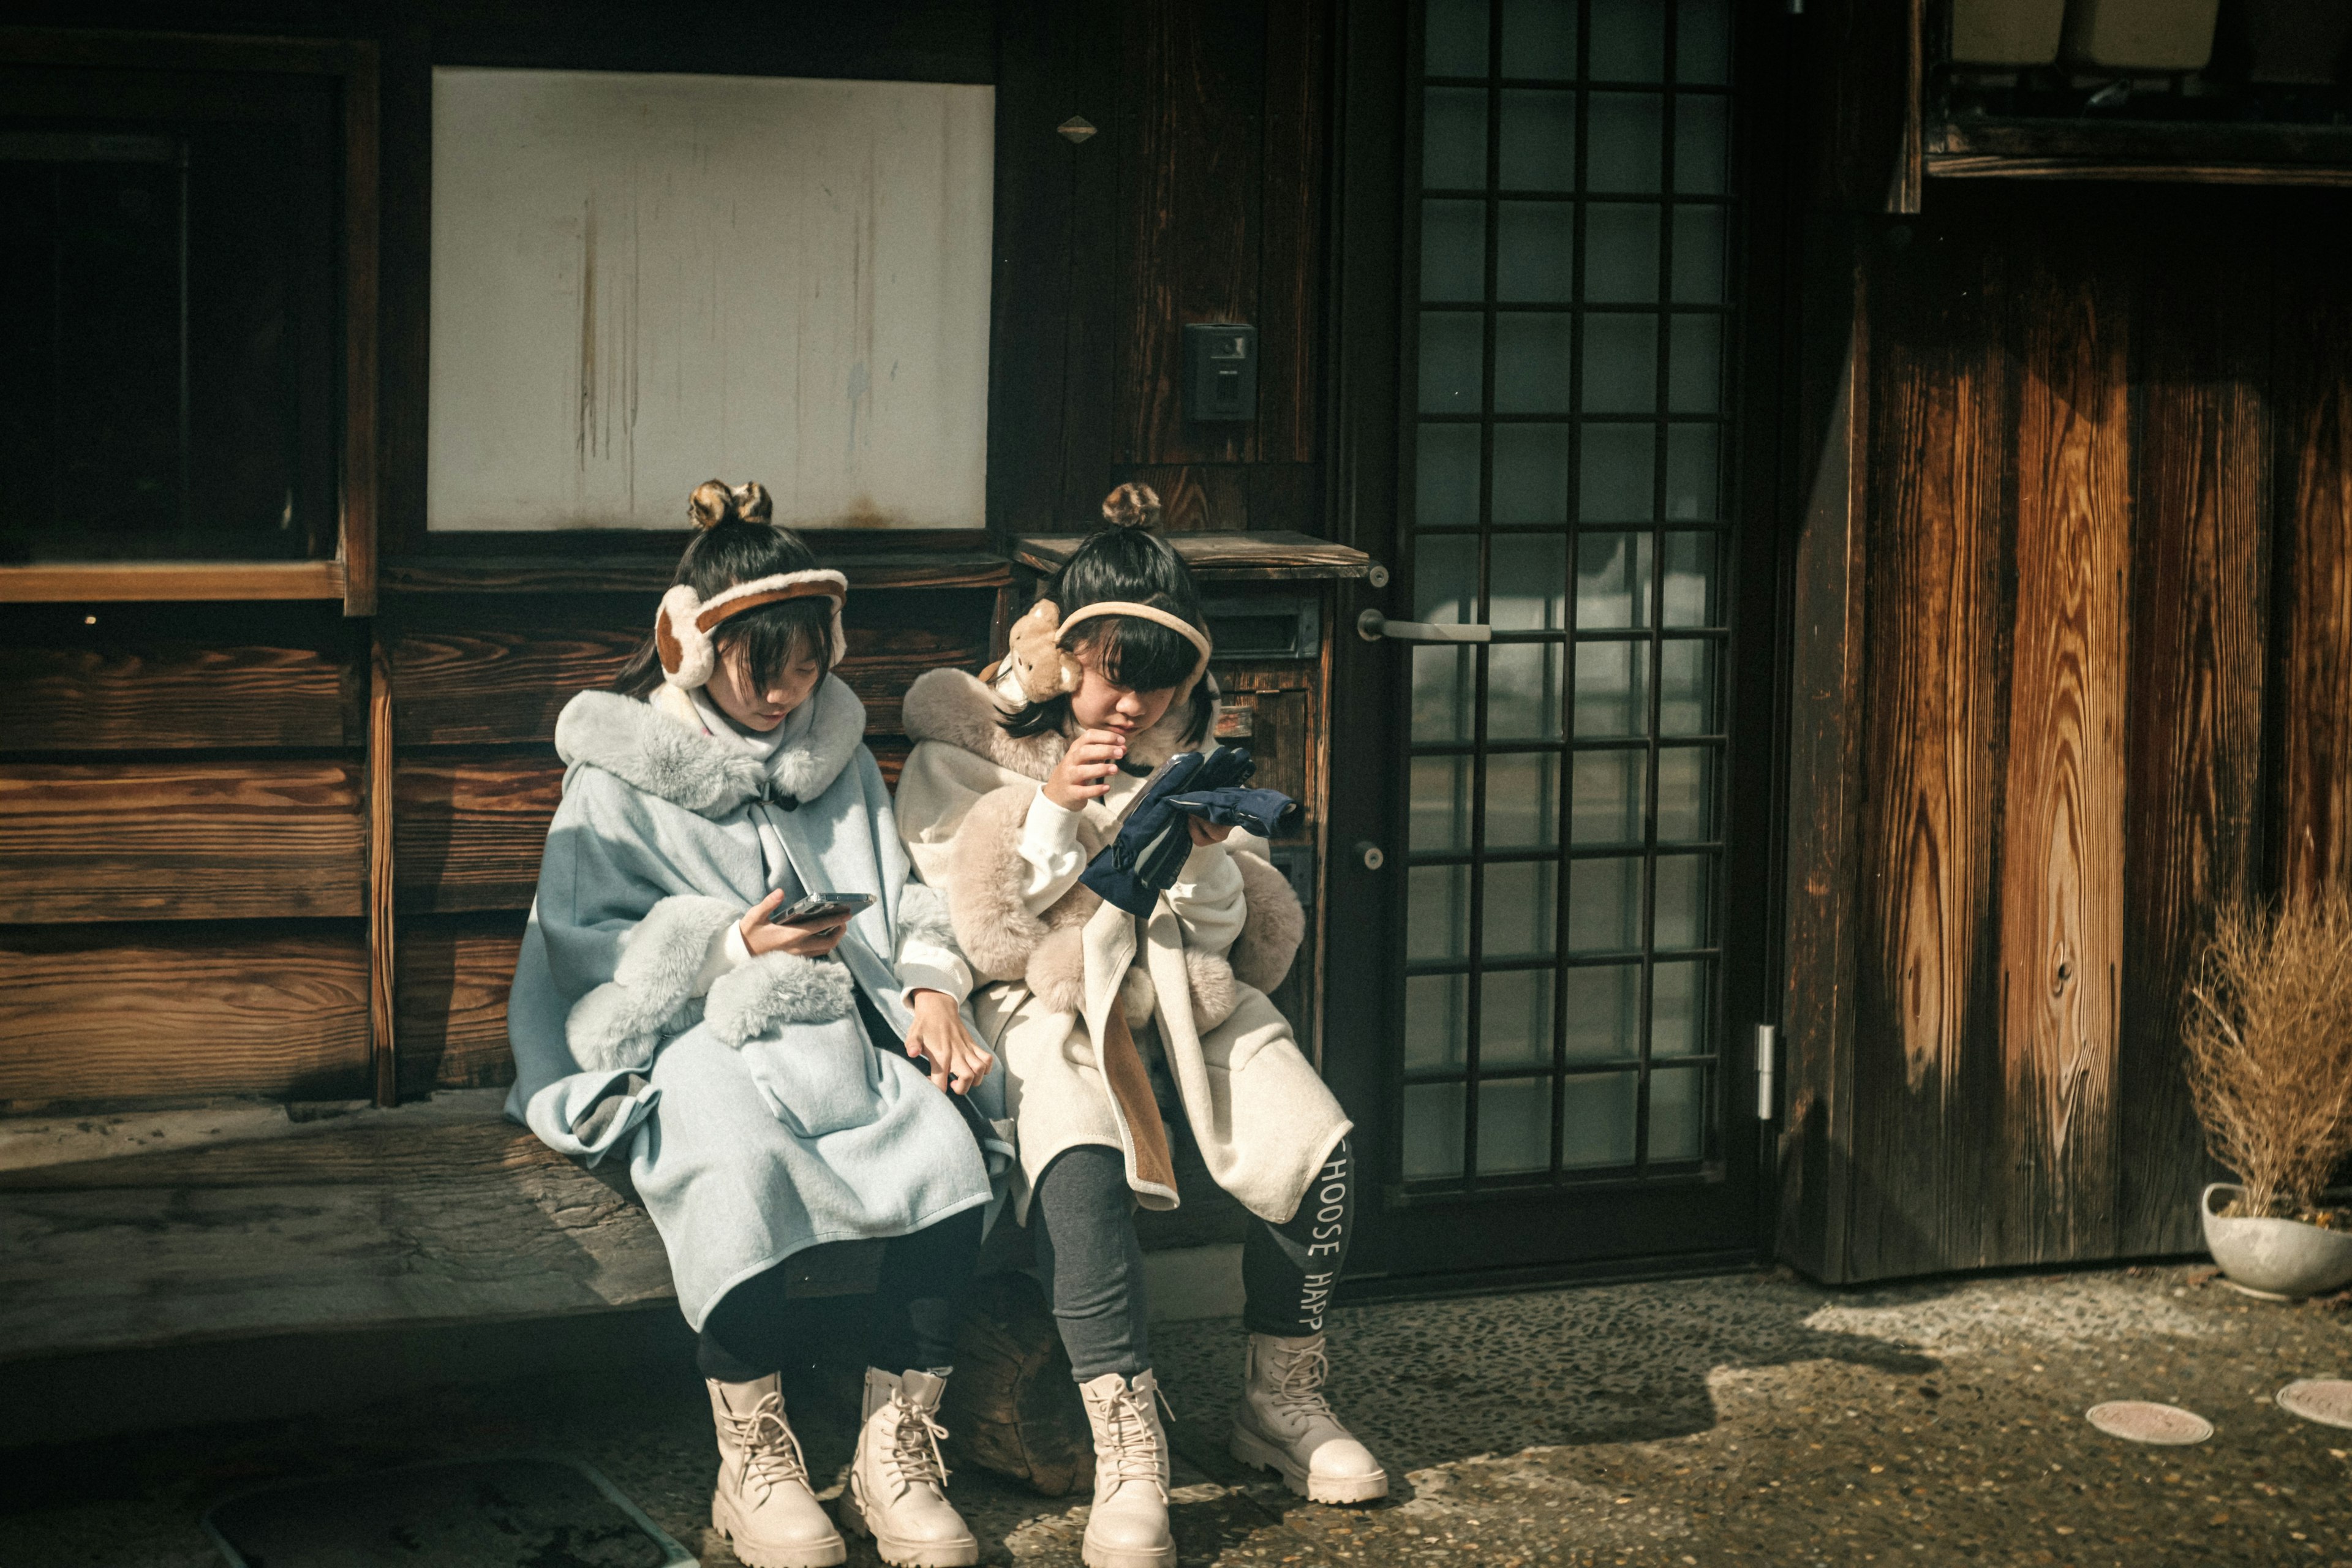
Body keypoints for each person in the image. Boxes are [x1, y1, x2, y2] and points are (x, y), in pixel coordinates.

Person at [504, 480, 1008, 1568]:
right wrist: (733, 946)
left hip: (836, 1028)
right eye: (761, 672)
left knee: (946, 1144)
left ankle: (895, 1444)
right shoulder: (618, 777)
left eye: (808, 669)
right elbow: (584, 959)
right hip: (689, 1037)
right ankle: (754, 1462)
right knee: (731, 1159)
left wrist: (929, 988)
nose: (788, 696)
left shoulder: (834, 758)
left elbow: (906, 893)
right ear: (692, 650)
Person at [894, 484, 1387, 1568]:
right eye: (1116, 678)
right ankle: (1129, 1448)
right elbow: (976, 924)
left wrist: (1206, 850)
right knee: (1074, 1156)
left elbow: (1231, 933)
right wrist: (1058, 808)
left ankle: (1282, 1400)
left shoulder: (1190, 753)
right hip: (1048, 998)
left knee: (1318, 1137)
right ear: (1069, 658)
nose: (1133, 709)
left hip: (1180, 991)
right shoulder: (971, 746)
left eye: (1160, 688)